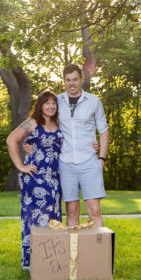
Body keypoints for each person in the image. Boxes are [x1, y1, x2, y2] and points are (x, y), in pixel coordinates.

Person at [6, 90, 63, 270]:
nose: (51, 106)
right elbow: (11, 140)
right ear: (40, 105)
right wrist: (21, 166)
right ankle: (31, 262)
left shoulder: (60, 123)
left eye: (53, 102)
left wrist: (93, 145)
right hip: (35, 178)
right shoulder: (32, 123)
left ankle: (51, 260)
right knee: (35, 218)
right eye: (47, 102)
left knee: (53, 219)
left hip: (55, 180)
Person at [56, 63, 108, 227]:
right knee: (71, 212)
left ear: (81, 79)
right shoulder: (56, 101)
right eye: (68, 80)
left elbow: (104, 131)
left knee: (95, 211)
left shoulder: (94, 101)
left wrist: (101, 159)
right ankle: (74, 253)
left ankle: (100, 251)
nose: (71, 83)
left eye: (75, 79)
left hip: (89, 162)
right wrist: (31, 144)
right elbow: (44, 126)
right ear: (64, 81)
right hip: (66, 163)